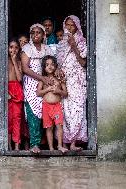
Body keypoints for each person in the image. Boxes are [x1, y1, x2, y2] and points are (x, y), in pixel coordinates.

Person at [21, 23, 54, 154]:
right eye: (33, 33)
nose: (35, 35)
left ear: (43, 34)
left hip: (45, 84)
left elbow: (53, 63)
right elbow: (25, 68)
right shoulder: (27, 49)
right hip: (31, 85)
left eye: (38, 32)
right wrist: (41, 78)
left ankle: (43, 142)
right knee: (32, 112)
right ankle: (34, 144)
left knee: (44, 111)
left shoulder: (47, 49)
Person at [56, 15, 88, 151]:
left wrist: (74, 46)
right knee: (65, 110)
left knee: (77, 109)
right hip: (65, 80)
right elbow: (58, 62)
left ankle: (74, 143)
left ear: (77, 26)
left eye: (72, 25)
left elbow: (83, 62)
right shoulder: (62, 42)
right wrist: (58, 70)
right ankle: (64, 142)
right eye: (67, 25)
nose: (69, 28)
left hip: (77, 80)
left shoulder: (81, 41)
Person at [36, 55, 68, 153]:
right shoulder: (43, 79)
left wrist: (58, 91)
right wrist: (48, 89)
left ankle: (59, 146)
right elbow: (38, 93)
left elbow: (65, 93)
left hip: (57, 106)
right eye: (47, 65)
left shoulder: (59, 78)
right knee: (49, 127)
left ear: (55, 66)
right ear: (44, 68)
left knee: (59, 126)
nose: (50, 66)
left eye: (52, 64)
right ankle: (51, 148)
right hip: (46, 106)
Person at [8, 38, 24, 151]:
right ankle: (8, 146)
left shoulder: (19, 62)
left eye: (16, 47)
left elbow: (19, 78)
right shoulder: (4, 61)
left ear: (19, 49)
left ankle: (17, 146)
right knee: (8, 119)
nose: (13, 49)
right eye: (11, 47)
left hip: (17, 90)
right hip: (7, 90)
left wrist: (14, 61)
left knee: (17, 118)